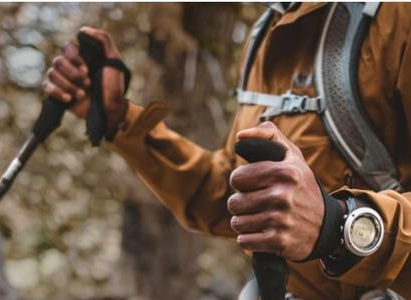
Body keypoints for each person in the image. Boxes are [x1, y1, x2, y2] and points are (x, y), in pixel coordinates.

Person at [43, 3, 411, 299]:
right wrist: (119, 119)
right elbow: (226, 196)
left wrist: (342, 227)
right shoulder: (268, 32)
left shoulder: (396, 18)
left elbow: (320, 221)